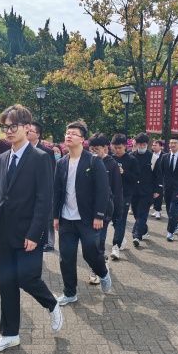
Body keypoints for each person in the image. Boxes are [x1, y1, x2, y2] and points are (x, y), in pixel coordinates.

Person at [0, 104, 62, 353]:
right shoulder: (2, 159)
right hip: (5, 232)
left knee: (27, 279)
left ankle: (51, 303)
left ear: (27, 127)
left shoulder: (40, 158)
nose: (9, 131)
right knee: (7, 283)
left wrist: (35, 233)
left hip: (29, 232)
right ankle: (9, 335)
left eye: (14, 126)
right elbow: (0, 198)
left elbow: (44, 199)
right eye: (5, 127)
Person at [54, 122, 112, 303]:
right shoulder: (61, 162)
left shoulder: (93, 161)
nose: (69, 136)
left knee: (90, 253)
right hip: (66, 219)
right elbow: (57, 191)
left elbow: (103, 190)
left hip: (87, 218)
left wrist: (99, 215)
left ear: (82, 139)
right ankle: (70, 293)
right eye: (67, 133)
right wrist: (55, 216)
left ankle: (103, 272)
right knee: (66, 257)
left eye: (73, 133)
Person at [88, 134, 123, 262]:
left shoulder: (112, 164)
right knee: (91, 240)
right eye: (91, 149)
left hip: (105, 208)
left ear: (105, 147)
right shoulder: (87, 161)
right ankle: (99, 259)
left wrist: (118, 210)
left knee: (100, 238)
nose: (94, 151)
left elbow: (117, 188)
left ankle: (101, 263)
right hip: (88, 207)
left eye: (97, 149)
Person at [27, 121, 57, 252]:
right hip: (28, 191)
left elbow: (52, 172)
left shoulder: (46, 152)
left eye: (30, 131)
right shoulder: (21, 149)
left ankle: (50, 242)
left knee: (48, 217)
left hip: (44, 189)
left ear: (38, 135)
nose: (27, 132)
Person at [131, 133, 162, 247]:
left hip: (147, 191)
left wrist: (157, 190)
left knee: (142, 214)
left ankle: (136, 236)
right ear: (136, 144)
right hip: (134, 191)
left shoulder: (153, 158)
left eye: (144, 144)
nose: (142, 146)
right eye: (140, 144)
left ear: (147, 144)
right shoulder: (131, 156)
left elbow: (158, 175)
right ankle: (144, 231)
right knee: (136, 213)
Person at [110, 134, 139, 251]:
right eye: (115, 148)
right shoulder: (111, 158)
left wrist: (124, 172)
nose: (117, 150)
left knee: (121, 218)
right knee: (114, 219)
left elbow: (136, 177)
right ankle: (121, 238)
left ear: (125, 147)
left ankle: (116, 245)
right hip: (112, 194)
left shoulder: (132, 160)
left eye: (120, 148)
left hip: (126, 194)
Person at [151, 140, 164, 220]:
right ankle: (155, 209)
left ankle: (157, 210)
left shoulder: (164, 155)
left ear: (160, 146)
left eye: (156, 145)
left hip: (161, 178)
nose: (154, 147)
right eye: (153, 145)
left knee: (159, 194)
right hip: (151, 178)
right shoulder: (150, 155)